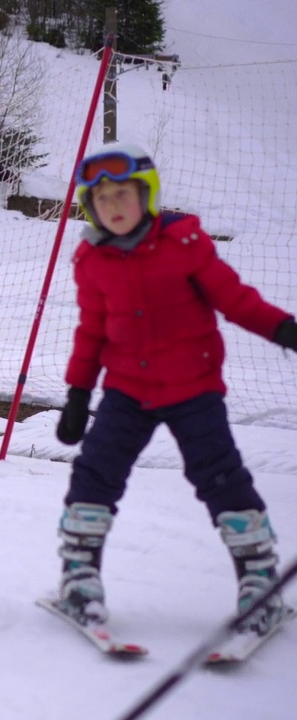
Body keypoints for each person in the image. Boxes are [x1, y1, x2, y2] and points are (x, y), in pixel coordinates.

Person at [52, 141, 297, 633]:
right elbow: (92, 331)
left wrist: (285, 329)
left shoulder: (184, 245)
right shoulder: (92, 259)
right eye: (101, 199)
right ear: (89, 207)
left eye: (123, 194)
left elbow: (235, 300)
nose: (113, 206)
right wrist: (78, 394)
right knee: (94, 473)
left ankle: (258, 577)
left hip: (194, 389)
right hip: (127, 391)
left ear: (147, 195)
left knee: (220, 476)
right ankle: (79, 575)